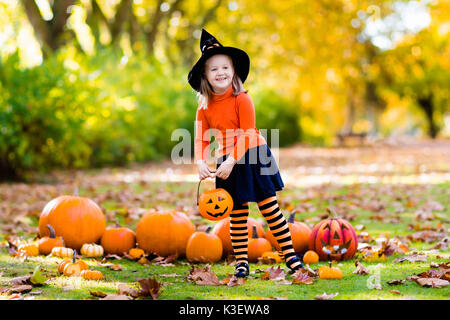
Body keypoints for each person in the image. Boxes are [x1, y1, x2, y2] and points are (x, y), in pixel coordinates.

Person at [188, 29, 303, 277]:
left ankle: (291, 257)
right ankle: (242, 262)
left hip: (254, 155)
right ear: (205, 76)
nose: (220, 73)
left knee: (269, 208)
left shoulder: (242, 99)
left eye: (225, 67)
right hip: (227, 160)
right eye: (214, 69)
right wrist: (200, 161)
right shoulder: (204, 108)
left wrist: (231, 160)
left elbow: (248, 132)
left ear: (234, 71)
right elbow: (200, 138)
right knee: (237, 213)